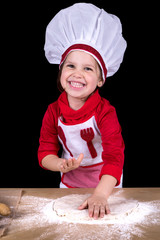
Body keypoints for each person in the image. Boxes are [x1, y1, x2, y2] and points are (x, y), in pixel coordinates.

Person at [38, 3, 127, 219]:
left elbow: (115, 158)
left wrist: (101, 196)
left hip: (106, 187)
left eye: (87, 68)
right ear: (61, 70)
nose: (77, 74)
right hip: (70, 187)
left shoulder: (105, 112)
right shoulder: (53, 112)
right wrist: (60, 163)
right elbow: (44, 154)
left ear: (100, 79)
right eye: (71, 66)